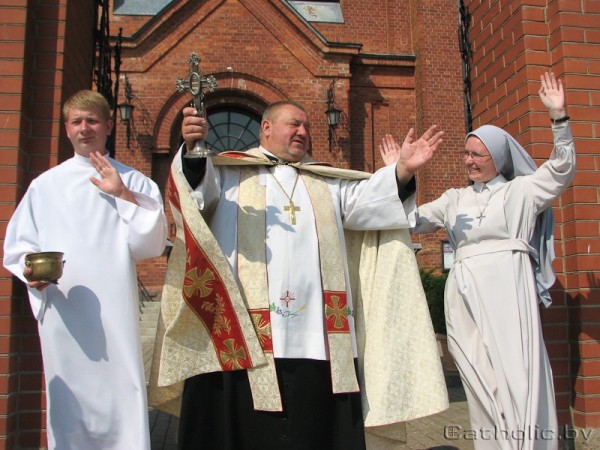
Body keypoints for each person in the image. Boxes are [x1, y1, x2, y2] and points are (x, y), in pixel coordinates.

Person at [148, 100, 449, 449]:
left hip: (318, 333)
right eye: (294, 124)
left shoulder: (326, 181)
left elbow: (371, 204)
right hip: (245, 331)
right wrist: (193, 150)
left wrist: (402, 172)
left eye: (307, 127)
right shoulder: (230, 173)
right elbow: (195, 194)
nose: (303, 132)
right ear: (266, 129)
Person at [380, 71, 575, 449]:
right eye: (466, 154)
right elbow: (410, 221)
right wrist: (399, 174)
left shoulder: (523, 191)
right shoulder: (455, 199)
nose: (468, 161)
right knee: (476, 375)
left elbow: (562, 170)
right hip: (463, 294)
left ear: (496, 158)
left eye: (475, 154)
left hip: (508, 288)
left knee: (517, 373)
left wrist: (559, 117)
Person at [3, 90, 168, 450]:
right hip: (63, 309)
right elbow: (18, 246)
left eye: (92, 120)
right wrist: (30, 270)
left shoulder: (134, 181)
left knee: (121, 386)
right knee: (70, 394)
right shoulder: (45, 186)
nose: (84, 128)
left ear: (108, 126)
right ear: (66, 129)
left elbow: (151, 244)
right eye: (76, 121)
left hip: (114, 311)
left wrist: (123, 195)